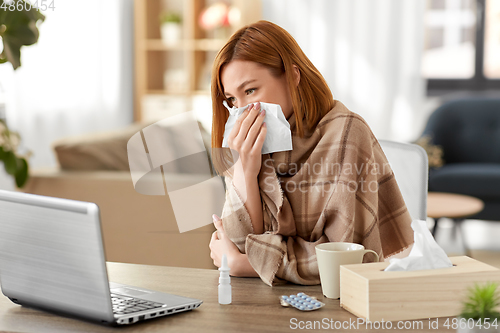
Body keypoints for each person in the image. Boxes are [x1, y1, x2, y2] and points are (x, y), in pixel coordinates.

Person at [209, 20, 414, 286]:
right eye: (233, 100)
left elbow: (347, 259)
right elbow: (240, 243)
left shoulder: (347, 134)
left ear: (293, 76)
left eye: (250, 91)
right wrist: (244, 171)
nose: (242, 111)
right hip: (258, 304)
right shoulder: (246, 145)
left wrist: (246, 264)